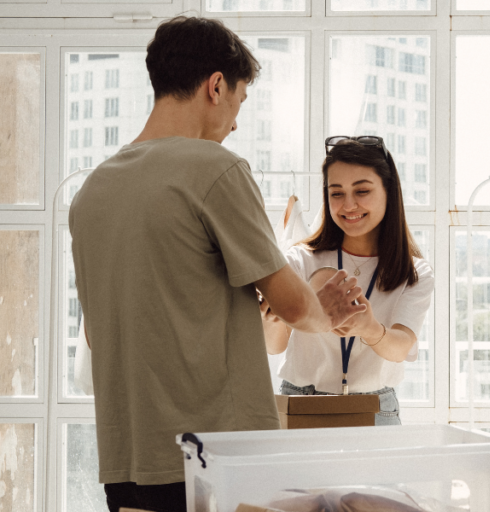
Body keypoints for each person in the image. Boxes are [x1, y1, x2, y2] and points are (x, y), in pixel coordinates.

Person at [69, 17, 365, 512]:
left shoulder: (92, 190)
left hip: (126, 458)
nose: (234, 122)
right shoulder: (216, 168)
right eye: (238, 103)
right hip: (216, 456)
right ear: (216, 85)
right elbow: (294, 306)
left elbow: (103, 332)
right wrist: (327, 312)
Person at [261, 137, 434, 425]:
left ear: (389, 191)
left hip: (376, 407)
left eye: (362, 190)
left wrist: (368, 328)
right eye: (336, 193)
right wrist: (271, 316)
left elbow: (400, 347)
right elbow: (274, 346)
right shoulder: (300, 259)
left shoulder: (413, 272)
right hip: (301, 401)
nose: (348, 205)